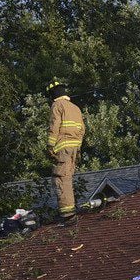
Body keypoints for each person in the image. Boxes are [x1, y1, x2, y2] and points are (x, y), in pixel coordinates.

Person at [46, 80, 85, 223]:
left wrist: (50, 146)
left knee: (61, 178)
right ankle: (70, 209)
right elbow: (82, 129)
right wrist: (78, 148)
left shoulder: (57, 105)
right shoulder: (75, 108)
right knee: (68, 177)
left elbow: (54, 126)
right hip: (75, 148)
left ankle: (67, 214)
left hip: (63, 148)